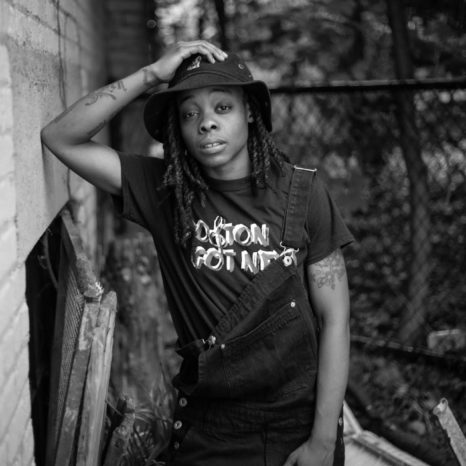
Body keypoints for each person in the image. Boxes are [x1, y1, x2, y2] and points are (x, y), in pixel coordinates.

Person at [41, 40, 354, 466]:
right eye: (190, 114)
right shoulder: (166, 193)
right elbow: (61, 137)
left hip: (296, 426)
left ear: (250, 112)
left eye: (222, 108)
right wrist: (151, 75)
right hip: (211, 427)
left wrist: (323, 439)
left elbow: (335, 319)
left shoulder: (302, 193)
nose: (206, 123)